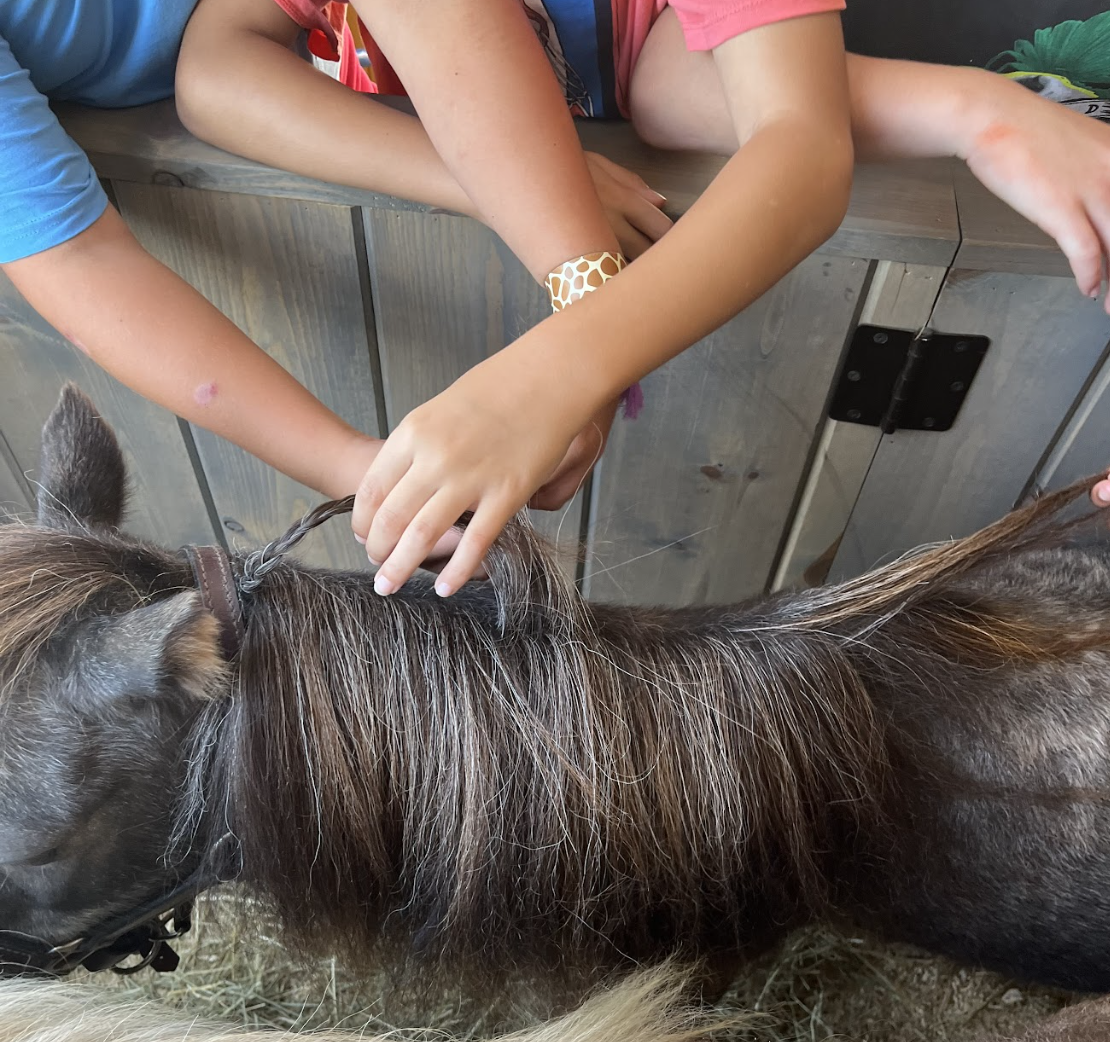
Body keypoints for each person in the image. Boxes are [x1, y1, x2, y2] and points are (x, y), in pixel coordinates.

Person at [3, 2, 1109, 601]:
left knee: (681, 95)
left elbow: (802, 151)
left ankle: (991, 110)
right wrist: (520, 208)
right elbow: (211, 75)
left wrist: (570, 349)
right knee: (677, 98)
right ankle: (983, 111)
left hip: (647, 57)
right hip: (578, 79)